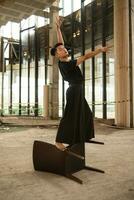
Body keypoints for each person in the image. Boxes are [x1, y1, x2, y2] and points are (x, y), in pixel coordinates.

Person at [51, 17, 109, 151]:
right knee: (69, 116)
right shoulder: (66, 64)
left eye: (64, 48)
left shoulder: (64, 59)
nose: (64, 49)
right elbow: (85, 57)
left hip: (78, 89)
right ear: (57, 55)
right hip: (73, 91)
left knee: (86, 113)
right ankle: (58, 141)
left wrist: (58, 28)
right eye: (60, 50)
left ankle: (83, 136)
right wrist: (100, 50)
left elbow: (60, 42)